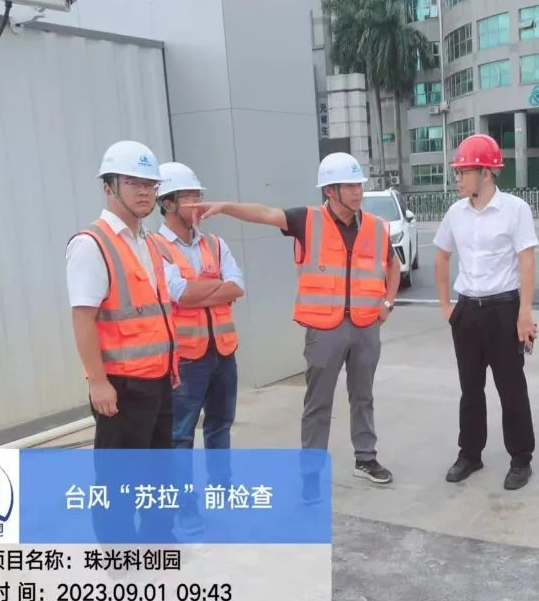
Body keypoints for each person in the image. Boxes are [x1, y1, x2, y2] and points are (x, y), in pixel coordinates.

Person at [188, 153, 400, 486]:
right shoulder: (307, 220)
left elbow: (392, 264)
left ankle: (366, 458)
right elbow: (264, 213)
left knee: (363, 396)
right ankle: (311, 471)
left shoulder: (375, 227)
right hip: (324, 329)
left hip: (366, 327)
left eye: (359, 185)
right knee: (318, 403)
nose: (357, 192)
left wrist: (387, 303)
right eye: (349, 186)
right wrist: (226, 206)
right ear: (329, 190)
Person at [434, 134, 539, 491]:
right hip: (467, 312)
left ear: (486, 173)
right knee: (470, 390)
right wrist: (446, 306)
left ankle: (521, 459)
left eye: (464, 172)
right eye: (458, 172)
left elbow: (527, 261)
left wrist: (525, 312)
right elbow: (441, 256)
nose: (458, 179)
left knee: (511, 389)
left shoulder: (515, 210)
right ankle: (470, 454)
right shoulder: (455, 213)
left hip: (504, 311)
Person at [66, 140, 178, 450]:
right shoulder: (92, 244)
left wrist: (170, 368)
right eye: (132, 183)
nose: (144, 192)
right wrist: (98, 382)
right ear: (108, 187)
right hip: (122, 388)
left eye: (150, 184)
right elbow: (83, 319)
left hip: (159, 380)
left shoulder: (148, 242)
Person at [151, 162, 245, 532]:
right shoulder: (155, 247)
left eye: (198, 195)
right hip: (186, 358)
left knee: (221, 424)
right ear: (168, 203)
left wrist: (200, 291)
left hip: (223, 351)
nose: (199, 203)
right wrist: (215, 288)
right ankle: (185, 507)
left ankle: (222, 490)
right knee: (180, 435)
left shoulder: (215, 244)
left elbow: (238, 285)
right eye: (190, 196)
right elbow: (180, 293)